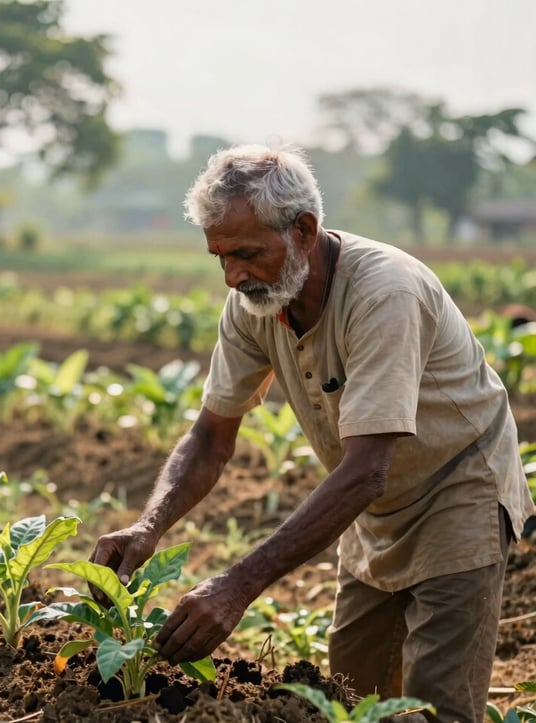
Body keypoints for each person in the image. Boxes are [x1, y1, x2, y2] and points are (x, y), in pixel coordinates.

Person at [89, 143, 534, 723]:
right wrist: (149, 526)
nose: (232, 275)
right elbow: (211, 436)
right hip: (374, 512)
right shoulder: (254, 301)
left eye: (247, 253)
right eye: (218, 256)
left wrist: (237, 585)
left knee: (436, 706)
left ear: (303, 229)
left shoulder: (384, 293)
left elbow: (366, 469)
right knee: (353, 693)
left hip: (458, 487)